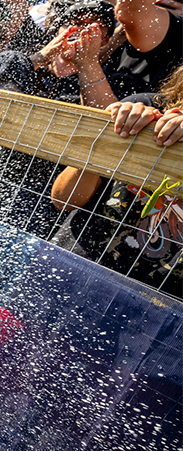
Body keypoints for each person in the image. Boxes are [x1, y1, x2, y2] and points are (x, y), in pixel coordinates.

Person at [50, 73, 183, 290]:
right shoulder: (146, 109)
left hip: (157, 311)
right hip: (69, 272)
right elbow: (63, 199)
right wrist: (106, 140)